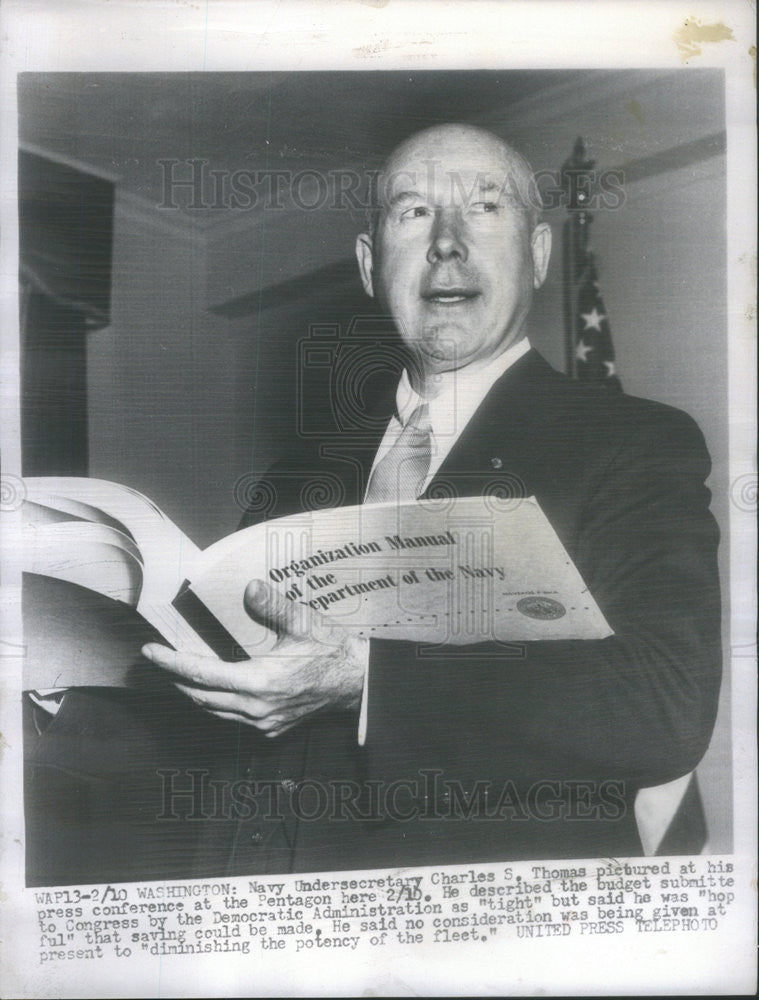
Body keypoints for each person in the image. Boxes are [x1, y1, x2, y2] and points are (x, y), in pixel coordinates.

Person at [25, 124, 722, 883]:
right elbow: (228, 721)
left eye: (484, 209)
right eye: (412, 213)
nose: (447, 243)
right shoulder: (298, 477)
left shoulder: (633, 442)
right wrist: (54, 690)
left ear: (540, 254)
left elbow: (666, 702)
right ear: (368, 264)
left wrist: (367, 681)